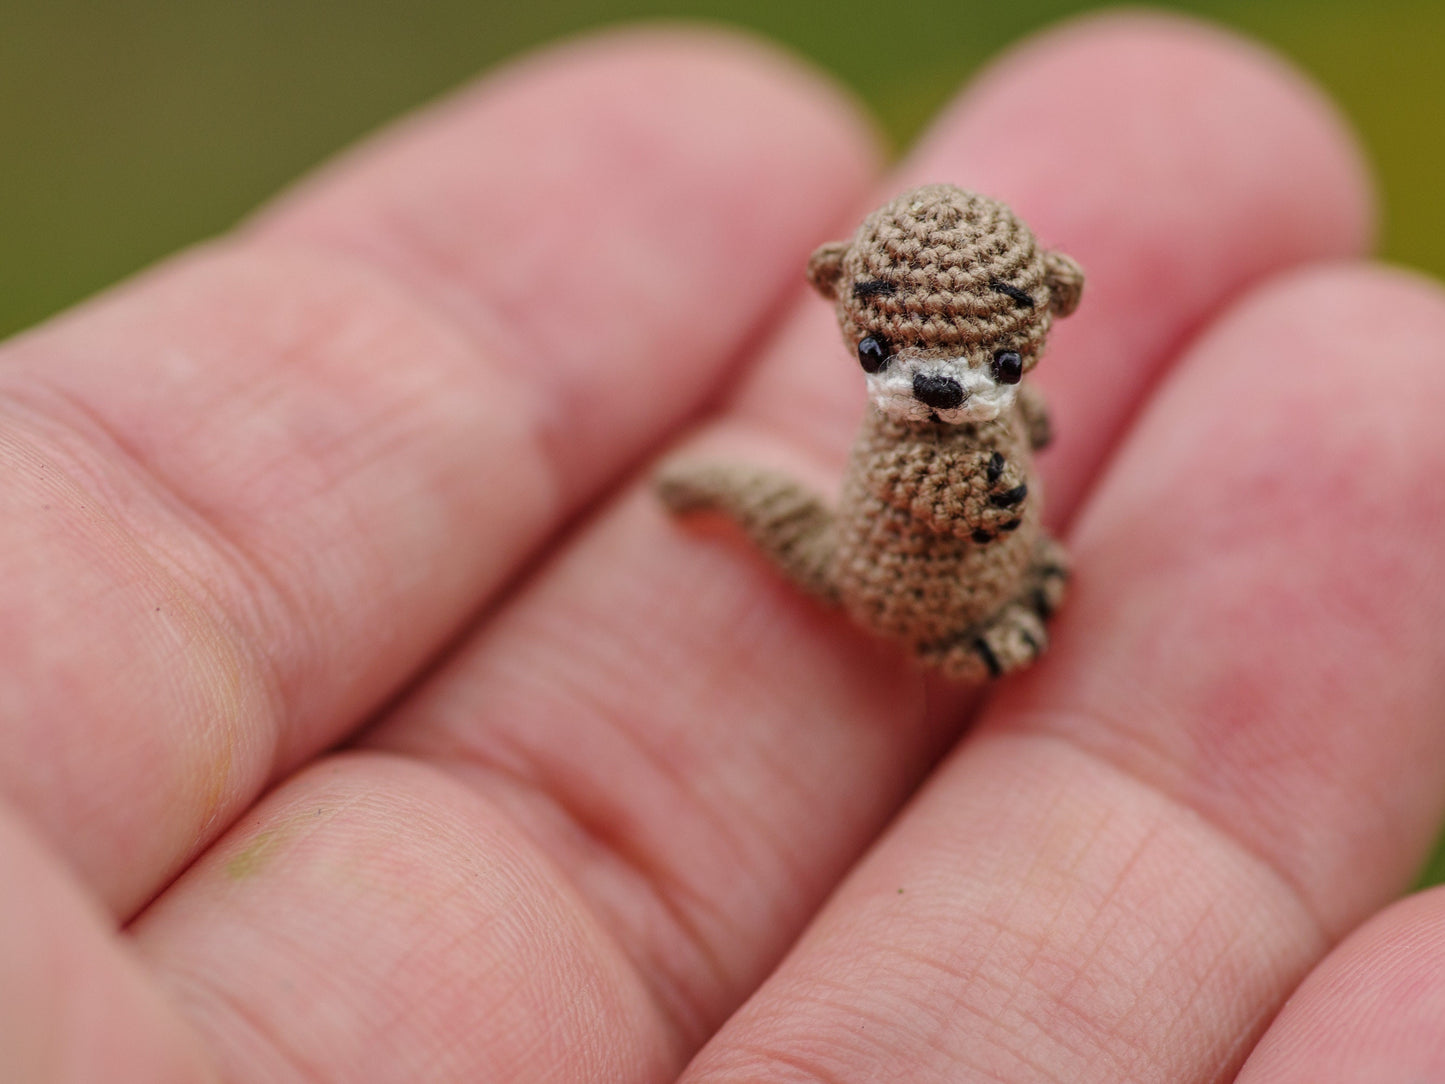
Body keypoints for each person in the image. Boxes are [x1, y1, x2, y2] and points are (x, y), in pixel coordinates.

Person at [3, 11, 1444, 1082]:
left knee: (1015, 557)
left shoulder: (979, 396)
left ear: (1042, 313)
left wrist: (1016, 465)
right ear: (843, 309)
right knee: (957, 579)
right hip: (916, 581)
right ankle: (960, 621)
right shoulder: (906, 454)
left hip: (992, 551)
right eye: (893, 349)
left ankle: (997, 596)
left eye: (982, 355)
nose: (937, 383)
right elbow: (934, 500)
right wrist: (987, 506)